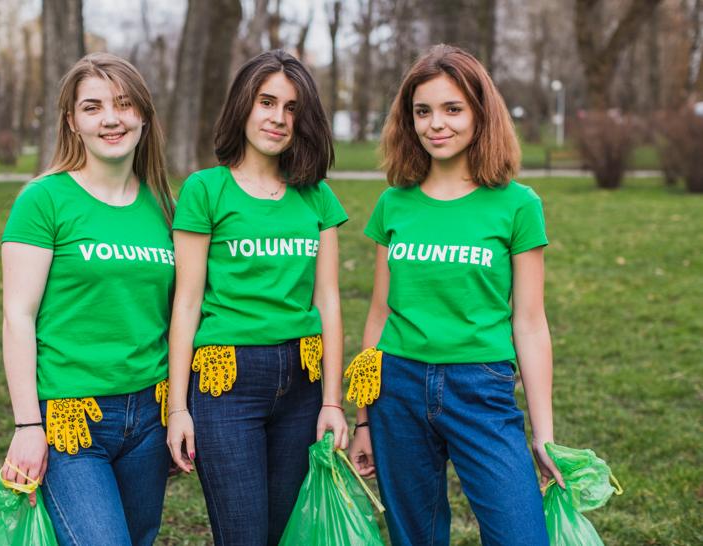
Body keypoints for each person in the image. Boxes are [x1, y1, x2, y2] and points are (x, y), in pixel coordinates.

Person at [346, 44, 566, 546]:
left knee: (521, 535)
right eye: (422, 111)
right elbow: (378, 314)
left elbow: (530, 322)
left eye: (452, 109)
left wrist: (544, 432)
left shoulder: (516, 206)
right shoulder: (393, 204)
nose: (435, 124)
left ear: (480, 114)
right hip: (395, 388)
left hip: (480, 389)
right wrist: (363, 418)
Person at [166, 49, 349, 546]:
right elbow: (185, 304)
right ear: (243, 105)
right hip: (228, 385)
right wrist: (177, 408)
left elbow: (328, 301)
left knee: (288, 533)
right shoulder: (206, 190)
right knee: (244, 534)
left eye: (291, 108)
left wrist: (332, 401)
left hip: (304, 383)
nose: (278, 118)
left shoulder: (316, 196)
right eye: (267, 102)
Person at [0, 53, 175, 546]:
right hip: (72, 420)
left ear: (143, 114)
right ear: (73, 122)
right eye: (93, 107)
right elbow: (18, 315)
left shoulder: (164, 206)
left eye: (123, 104)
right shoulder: (44, 200)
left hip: (149, 415)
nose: (111, 119)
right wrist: (28, 423)